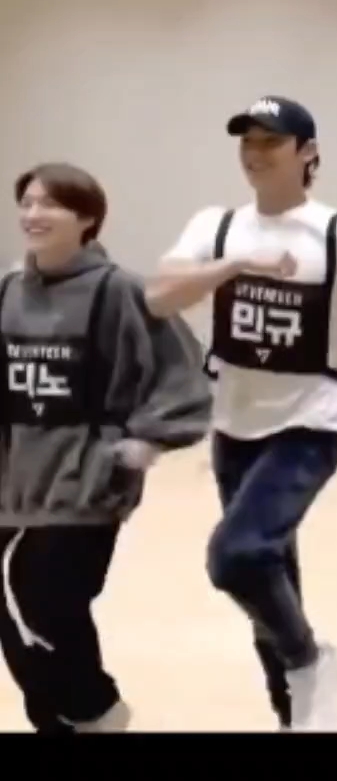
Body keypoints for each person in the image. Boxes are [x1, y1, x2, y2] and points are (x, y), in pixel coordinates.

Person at [145, 96, 337, 731]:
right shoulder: (216, 226)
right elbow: (159, 297)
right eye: (246, 140)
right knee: (271, 576)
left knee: (238, 556)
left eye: (270, 141)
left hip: (312, 419)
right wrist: (233, 265)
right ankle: (295, 715)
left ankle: (310, 662)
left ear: (308, 153)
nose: (254, 152)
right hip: (235, 422)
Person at [1, 162, 212, 733]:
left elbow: (180, 371)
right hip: (15, 475)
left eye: (51, 204)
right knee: (27, 609)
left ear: (87, 218)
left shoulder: (121, 291)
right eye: (27, 202)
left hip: (85, 477)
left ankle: (92, 709)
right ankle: (69, 717)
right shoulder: (9, 290)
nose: (34, 214)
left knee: (43, 594)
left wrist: (147, 439)